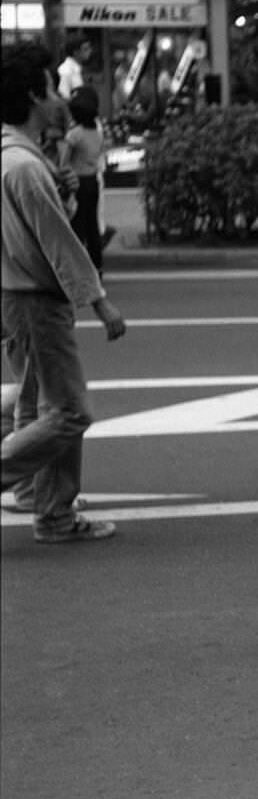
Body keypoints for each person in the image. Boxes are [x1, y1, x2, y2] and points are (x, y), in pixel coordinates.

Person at [1, 42, 127, 543]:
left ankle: (47, 506)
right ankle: (48, 509)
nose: (59, 98)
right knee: (70, 412)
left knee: (37, 404)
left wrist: (66, 194)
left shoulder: (15, 156)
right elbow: (59, 244)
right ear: (34, 95)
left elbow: (44, 228)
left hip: (15, 295)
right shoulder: (26, 167)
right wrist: (98, 299)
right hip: (36, 299)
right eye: (52, 87)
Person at [64, 87, 107, 274]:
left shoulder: (74, 134)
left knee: (76, 226)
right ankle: (96, 265)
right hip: (93, 182)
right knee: (92, 226)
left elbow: (63, 162)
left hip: (77, 182)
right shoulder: (96, 133)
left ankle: (78, 267)